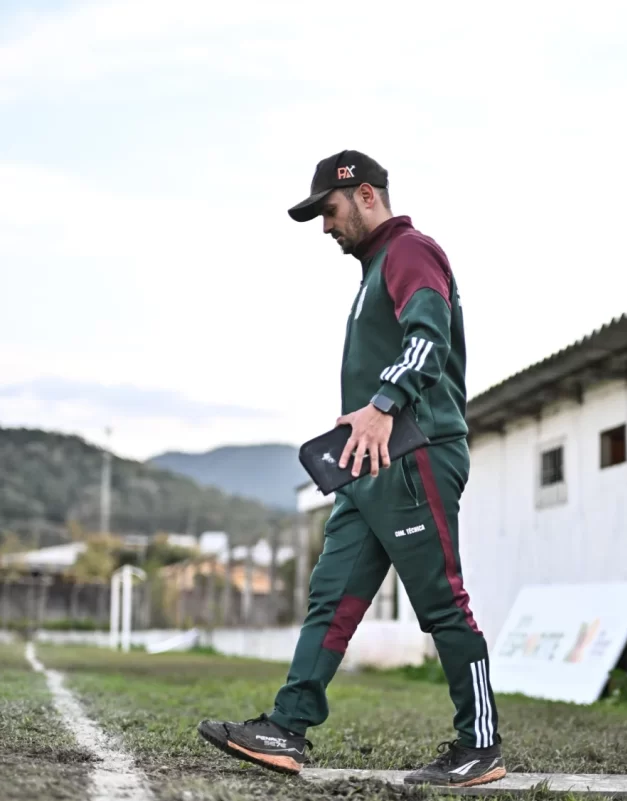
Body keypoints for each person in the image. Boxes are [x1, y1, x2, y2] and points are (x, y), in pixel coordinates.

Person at [198, 150, 505, 788]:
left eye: (329, 211)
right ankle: (287, 726)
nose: (324, 227)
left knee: (442, 602)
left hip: (417, 452)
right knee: (331, 596)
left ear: (365, 195)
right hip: (369, 466)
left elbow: (431, 335)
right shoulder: (371, 272)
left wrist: (384, 403)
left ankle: (480, 747)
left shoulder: (410, 251)